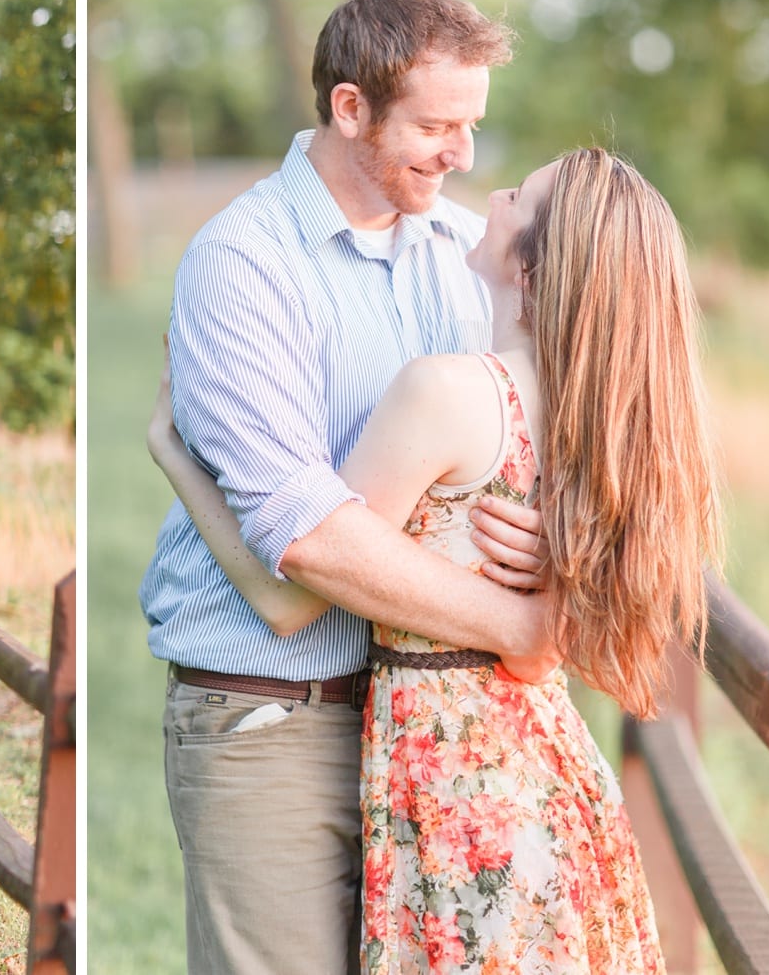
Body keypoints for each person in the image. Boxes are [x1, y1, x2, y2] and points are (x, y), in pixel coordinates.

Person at [151, 147, 722, 970]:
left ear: (533, 268)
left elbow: (289, 592)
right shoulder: (598, 410)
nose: (487, 192)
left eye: (516, 197)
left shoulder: (444, 391)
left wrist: (172, 449)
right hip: (545, 775)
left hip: (459, 789)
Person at [137, 0, 558, 974]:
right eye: (437, 126)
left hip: (434, 727)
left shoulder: (471, 252)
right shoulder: (244, 263)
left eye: (472, 126)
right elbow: (309, 548)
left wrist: (555, 535)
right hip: (276, 719)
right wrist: (521, 624)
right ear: (350, 106)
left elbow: (532, 438)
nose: (461, 155)